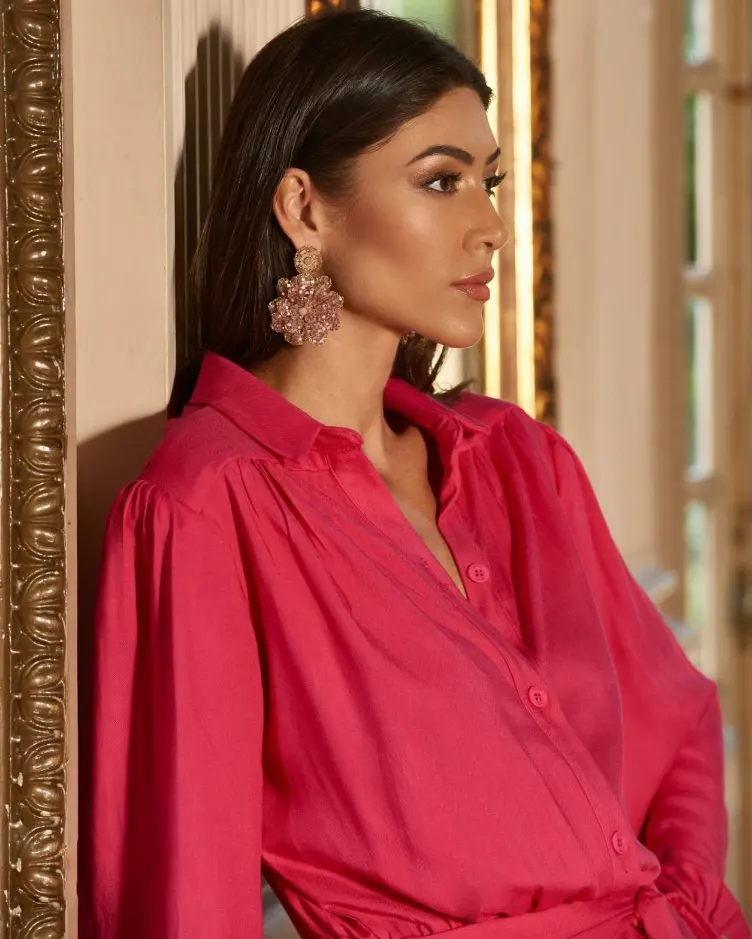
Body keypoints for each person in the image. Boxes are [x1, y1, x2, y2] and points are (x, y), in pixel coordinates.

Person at [78, 10, 750, 939]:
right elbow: (186, 894)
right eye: (442, 182)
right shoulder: (205, 506)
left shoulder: (520, 462)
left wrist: (678, 901)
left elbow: (679, 722)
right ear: (305, 209)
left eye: (490, 181)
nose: (489, 227)